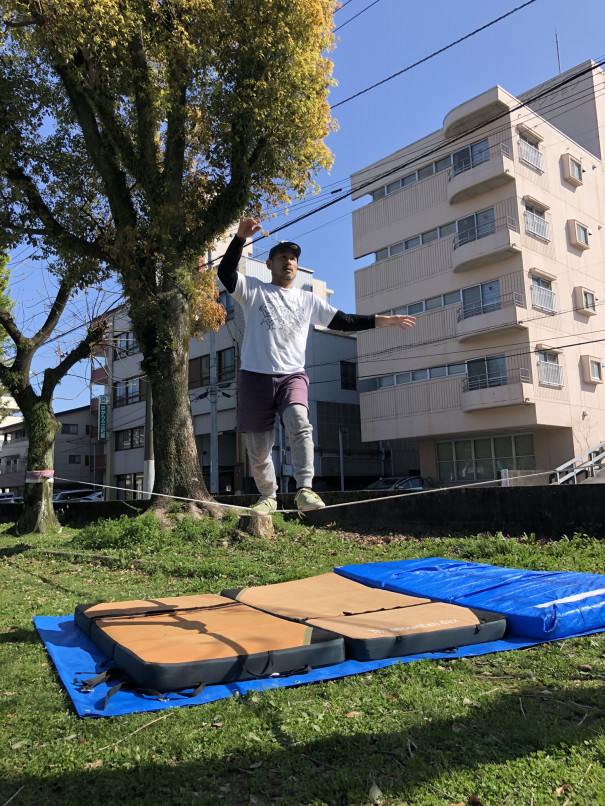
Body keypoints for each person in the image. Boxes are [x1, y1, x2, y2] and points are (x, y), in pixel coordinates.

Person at [217, 217, 416, 514]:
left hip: (292, 376)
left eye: (293, 258)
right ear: (269, 264)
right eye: (283, 257)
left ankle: (305, 489)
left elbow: (345, 321)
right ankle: (268, 496)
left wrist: (382, 320)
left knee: (299, 422)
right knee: (258, 447)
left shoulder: (307, 300)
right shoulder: (253, 291)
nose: (289, 262)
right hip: (255, 376)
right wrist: (240, 239)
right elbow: (225, 272)